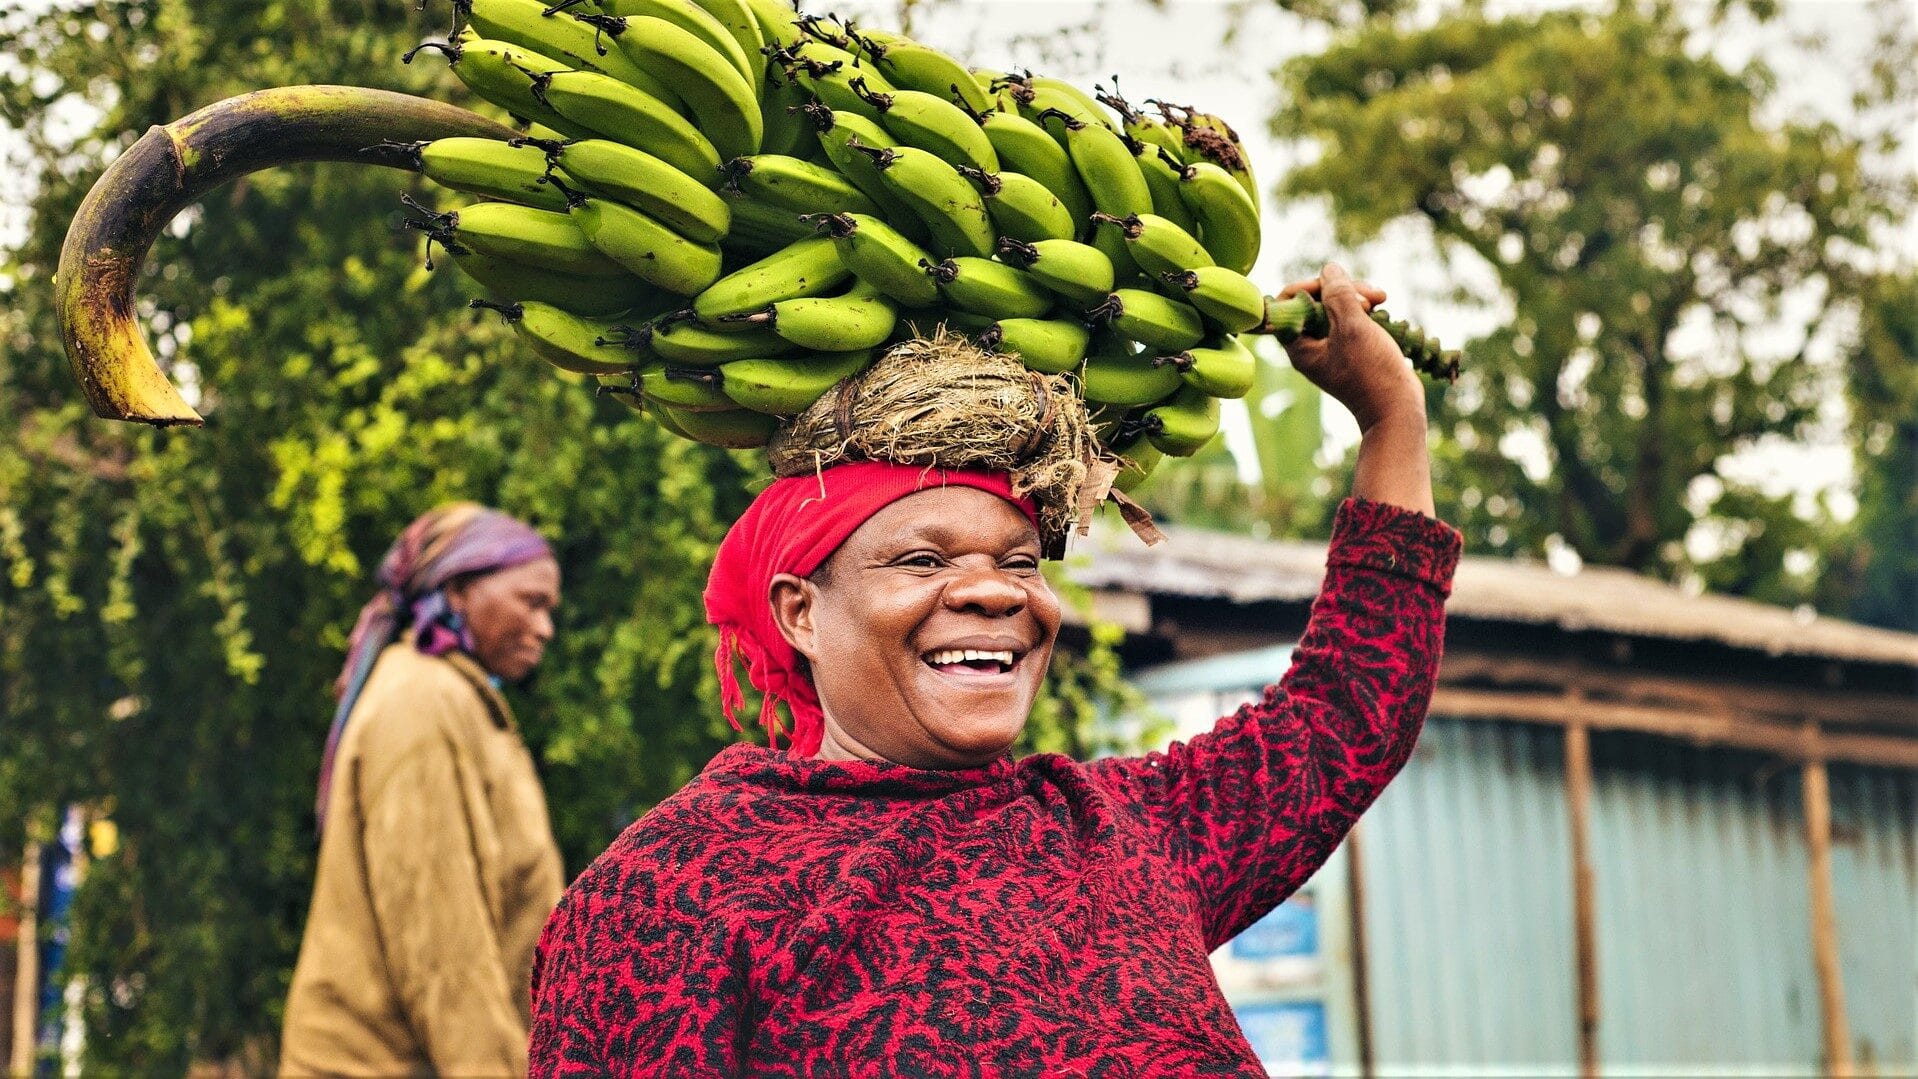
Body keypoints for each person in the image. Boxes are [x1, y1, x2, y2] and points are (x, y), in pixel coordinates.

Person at [528, 265, 1459, 1076]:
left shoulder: (1124, 828)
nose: (995, 593)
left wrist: (1389, 415)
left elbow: (1346, 711)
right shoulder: (668, 896)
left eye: (1020, 562)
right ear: (799, 612)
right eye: (923, 562)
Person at [281, 502, 566, 1077]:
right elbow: (443, 946)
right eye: (530, 602)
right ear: (458, 590)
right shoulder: (421, 703)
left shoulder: (456, 699)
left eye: (549, 609)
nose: (545, 628)